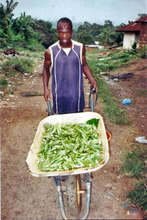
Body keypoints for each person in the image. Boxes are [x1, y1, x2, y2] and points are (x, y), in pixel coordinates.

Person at [43, 17, 98, 114]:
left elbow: (84, 65)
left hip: (76, 94)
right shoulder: (50, 51)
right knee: (61, 120)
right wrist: (45, 88)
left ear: (72, 32)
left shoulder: (80, 48)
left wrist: (92, 80)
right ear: (57, 32)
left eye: (67, 32)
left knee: (77, 119)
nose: (64, 36)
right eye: (61, 32)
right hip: (59, 94)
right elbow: (46, 70)